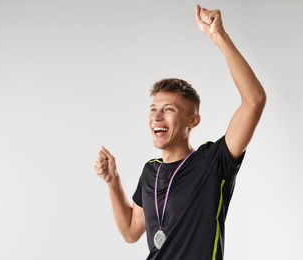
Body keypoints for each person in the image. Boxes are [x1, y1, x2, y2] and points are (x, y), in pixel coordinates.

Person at [94, 5, 266, 260]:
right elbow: (131, 231)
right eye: (153, 109)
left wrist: (219, 36)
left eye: (168, 110)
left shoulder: (212, 162)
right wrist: (113, 181)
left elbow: (254, 100)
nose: (157, 116)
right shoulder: (150, 171)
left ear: (192, 121)